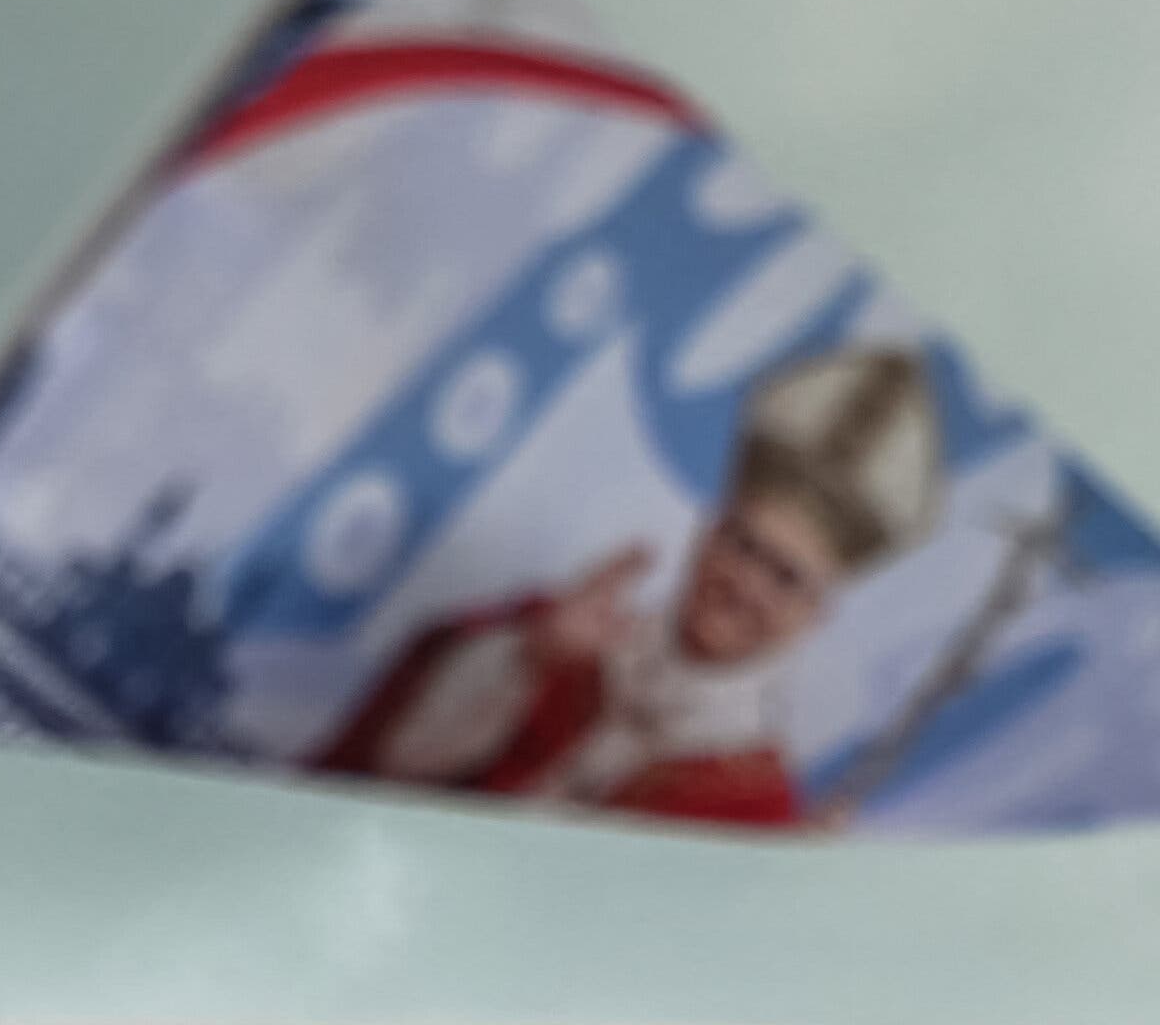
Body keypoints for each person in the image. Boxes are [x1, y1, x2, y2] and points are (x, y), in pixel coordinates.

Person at [310, 346, 943, 828]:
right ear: (705, 534)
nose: (745, 582)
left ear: (815, 614)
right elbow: (386, 771)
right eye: (741, 543)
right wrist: (528, 660)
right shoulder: (563, 634)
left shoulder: (757, 813)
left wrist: (772, 912)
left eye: (785, 576)